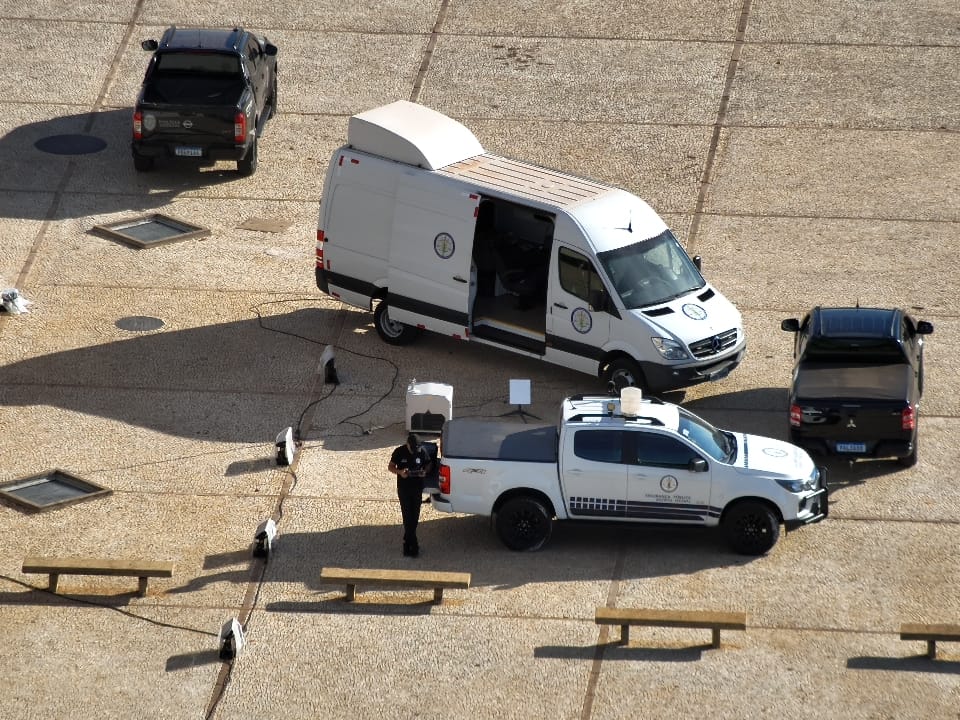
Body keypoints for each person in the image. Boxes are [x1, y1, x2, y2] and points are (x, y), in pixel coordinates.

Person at [388, 433, 433, 557]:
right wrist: (400, 472)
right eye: (412, 448)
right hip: (404, 489)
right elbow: (390, 467)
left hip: (417, 488)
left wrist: (425, 471)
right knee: (407, 516)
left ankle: (407, 541)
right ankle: (413, 545)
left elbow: (429, 463)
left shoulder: (422, 451)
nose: (414, 451)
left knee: (415, 517)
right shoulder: (399, 451)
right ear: (407, 444)